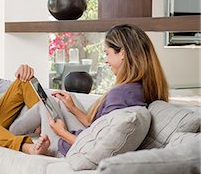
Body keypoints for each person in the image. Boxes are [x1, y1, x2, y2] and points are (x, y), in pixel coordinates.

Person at [36, 24, 169, 156]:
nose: (105, 60)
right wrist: (73, 108)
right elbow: (100, 127)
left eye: (107, 53)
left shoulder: (122, 94)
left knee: (45, 103)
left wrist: (61, 133)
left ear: (122, 53)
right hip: (84, 137)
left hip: (72, 148)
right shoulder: (140, 88)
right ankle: (17, 137)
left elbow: (97, 148)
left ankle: (19, 143)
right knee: (57, 101)